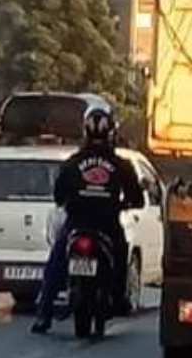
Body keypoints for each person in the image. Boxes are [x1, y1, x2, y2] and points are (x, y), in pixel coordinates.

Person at [31, 107, 143, 334]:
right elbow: (136, 197)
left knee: (57, 261)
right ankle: (119, 298)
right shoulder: (121, 165)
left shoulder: (73, 162)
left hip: (77, 222)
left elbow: (58, 196)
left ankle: (44, 313)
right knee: (121, 254)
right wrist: (123, 204)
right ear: (111, 132)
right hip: (107, 224)